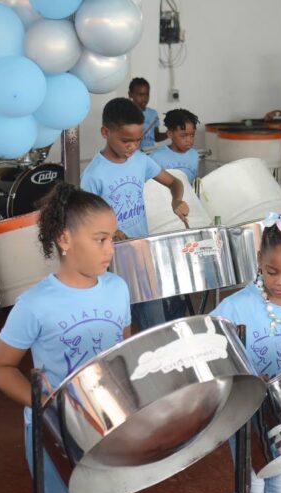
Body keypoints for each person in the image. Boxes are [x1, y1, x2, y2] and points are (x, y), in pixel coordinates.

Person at [0, 182, 131, 493]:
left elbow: (121, 350)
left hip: (106, 427)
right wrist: (43, 404)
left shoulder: (118, 289)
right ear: (65, 239)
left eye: (112, 238)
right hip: (55, 430)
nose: (110, 248)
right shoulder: (35, 303)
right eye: (100, 240)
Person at [212, 212, 281, 493]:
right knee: (251, 492)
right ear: (259, 260)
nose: (280, 282)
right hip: (247, 413)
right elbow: (211, 347)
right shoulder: (235, 305)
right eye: (271, 272)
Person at [81, 97, 190, 331]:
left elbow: (174, 183)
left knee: (156, 327)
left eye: (138, 140)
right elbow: (85, 224)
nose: (132, 147)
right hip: (110, 264)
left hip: (142, 258)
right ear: (105, 132)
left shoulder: (140, 161)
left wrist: (177, 199)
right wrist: (109, 232)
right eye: (125, 141)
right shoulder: (94, 175)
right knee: (120, 332)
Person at [150, 108, 201, 185]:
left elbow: (195, 182)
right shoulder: (156, 157)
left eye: (192, 135)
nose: (189, 140)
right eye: (183, 136)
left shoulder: (194, 155)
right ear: (170, 134)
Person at [128, 77, 167, 150]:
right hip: (133, 154)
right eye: (140, 94)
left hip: (149, 153)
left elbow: (156, 137)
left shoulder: (153, 113)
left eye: (147, 94)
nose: (144, 98)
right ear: (130, 94)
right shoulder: (126, 113)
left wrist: (169, 133)